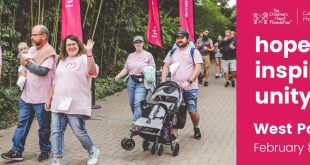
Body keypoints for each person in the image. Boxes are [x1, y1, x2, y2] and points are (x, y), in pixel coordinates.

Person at [1, 25, 57, 161]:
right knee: (22, 124)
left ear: (43, 36)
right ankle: (16, 151)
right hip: (26, 97)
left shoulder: (49, 51)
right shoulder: (31, 49)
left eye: (34, 35)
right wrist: (22, 71)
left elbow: (42, 71)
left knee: (43, 128)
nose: (31, 37)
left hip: (42, 98)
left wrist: (26, 64)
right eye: (31, 35)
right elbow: (25, 66)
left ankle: (45, 150)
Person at [45, 35, 99, 165]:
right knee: (56, 132)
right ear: (65, 47)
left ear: (78, 45)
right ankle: (57, 159)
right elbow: (55, 82)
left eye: (74, 44)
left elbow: (92, 71)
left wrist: (89, 52)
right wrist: (49, 98)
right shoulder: (62, 61)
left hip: (76, 102)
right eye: (68, 44)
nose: (71, 46)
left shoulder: (84, 59)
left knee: (78, 131)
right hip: (59, 102)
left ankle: (92, 150)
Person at [161, 30, 203, 140]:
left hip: (190, 87)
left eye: (182, 38)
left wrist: (188, 81)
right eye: (177, 38)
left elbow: (198, 68)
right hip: (174, 87)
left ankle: (196, 127)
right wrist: (163, 81)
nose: (179, 40)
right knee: (173, 110)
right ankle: (174, 134)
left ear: (187, 39)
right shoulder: (172, 51)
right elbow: (165, 66)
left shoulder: (194, 51)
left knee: (192, 111)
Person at [115, 36, 155, 123]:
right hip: (131, 81)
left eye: (140, 42)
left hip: (142, 81)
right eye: (136, 42)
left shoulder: (148, 55)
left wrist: (145, 70)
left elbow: (153, 67)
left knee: (138, 102)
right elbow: (126, 68)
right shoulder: (130, 56)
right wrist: (119, 75)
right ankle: (139, 116)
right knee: (132, 102)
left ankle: (137, 121)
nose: (138, 44)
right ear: (134, 44)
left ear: (143, 43)